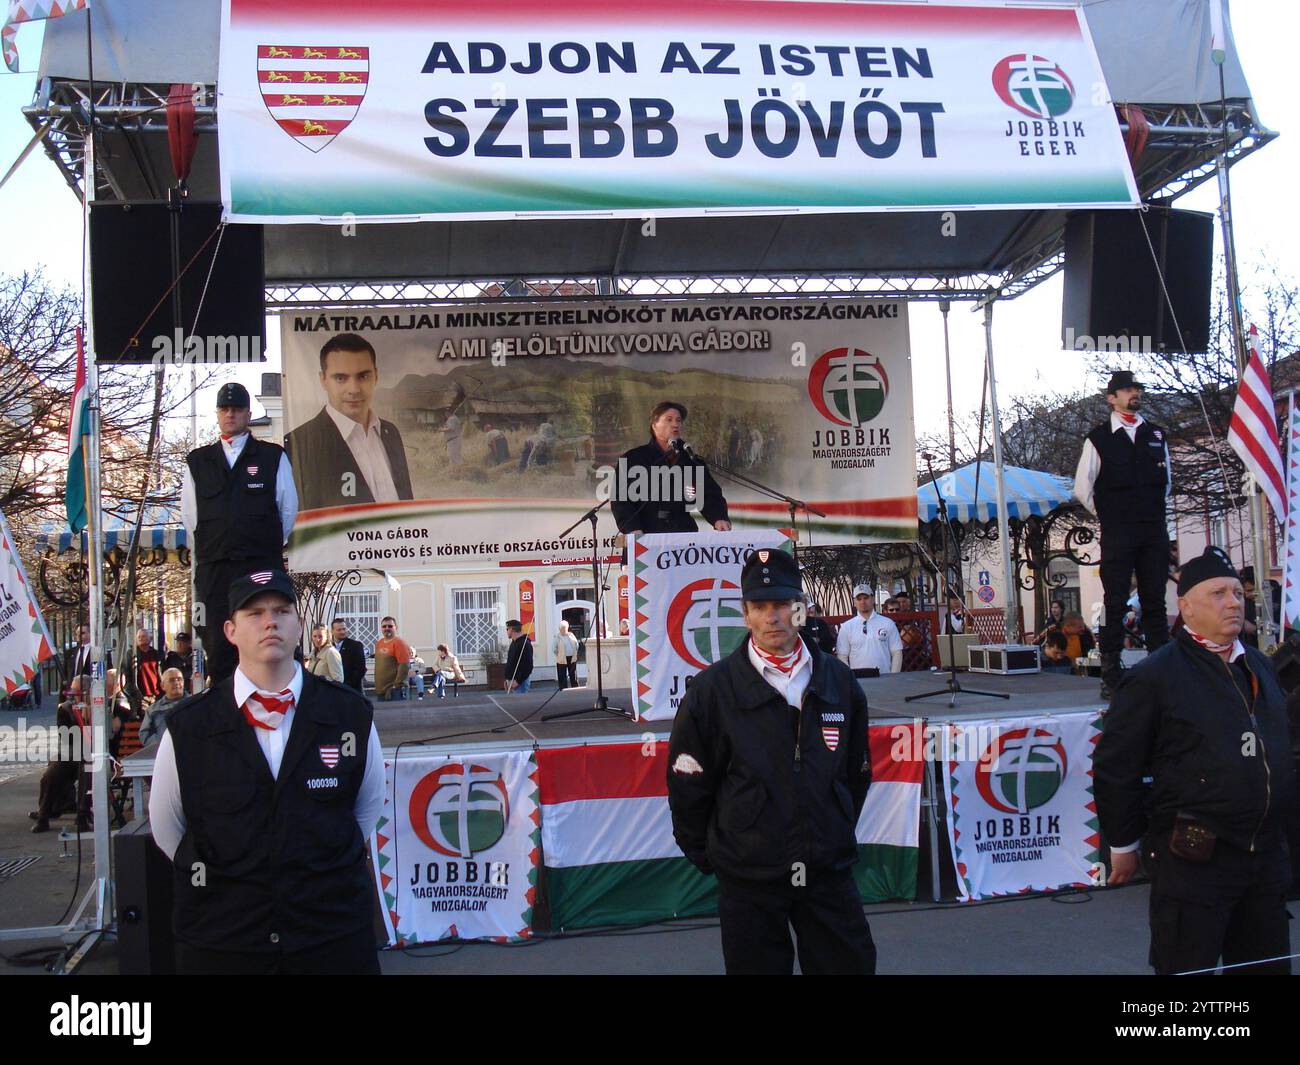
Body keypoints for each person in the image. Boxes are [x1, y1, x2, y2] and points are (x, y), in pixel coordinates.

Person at [148, 569, 384, 975]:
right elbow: (168, 828)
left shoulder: (349, 715)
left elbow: (365, 811)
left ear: (299, 626)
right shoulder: (190, 726)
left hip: (330, 939)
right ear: (230, 630)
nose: (269, 621)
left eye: (281, 610)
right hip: (224, 943)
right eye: (254, 613)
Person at [667, 546, 876, 975]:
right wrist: (720, 856)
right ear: (745, 614)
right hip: (749, 879)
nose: (772, 617)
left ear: (800, 609)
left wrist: (831, 826)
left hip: (826, 871)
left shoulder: (837, 680)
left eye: (782, 604)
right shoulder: (711, 691)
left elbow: (856, 771)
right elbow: (689, 786)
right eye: (760, 606)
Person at [1095, 546, 1297, 975]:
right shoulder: (1155, 676)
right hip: (1193, 860)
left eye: (1236, 593)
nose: (1233, 602)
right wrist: (1123, 844)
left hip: (1263, 859)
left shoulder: (1260, 665)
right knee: (1189, 969)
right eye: (1218, 594)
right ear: (1185, 607)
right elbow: (1117, 766)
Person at [182, 381, 298, 686]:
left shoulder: (272, 457)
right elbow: (190, 520)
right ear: (218, 414)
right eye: (225, 409)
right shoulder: (198, 462)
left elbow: (287, 511)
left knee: (266, 641)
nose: (230, 414)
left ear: (248, 413)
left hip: (260, 565)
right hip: (215, 570)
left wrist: (260, 543)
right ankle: (226, 721)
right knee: (220, 649)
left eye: (236, 409)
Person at [1074, 370, 1172, 696]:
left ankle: (1162, 670)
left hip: (1153, 529)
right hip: (1119, 531)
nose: (1134, 394)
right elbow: (1083, 488)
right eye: (1127, 389)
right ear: (1111, 398)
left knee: (1154, 601)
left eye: (1136, 389)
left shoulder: (1156, 434)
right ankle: (1110, 673)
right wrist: (1110, 515)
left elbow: (1167, 483)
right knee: (1114, 602)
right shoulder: (1099, 438)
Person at [284, 333, 413, 510]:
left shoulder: (390, 432)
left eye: (363, 376)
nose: (353, 389)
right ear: (323, 380)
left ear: (376, 376)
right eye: (340, 378)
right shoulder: (299, 443)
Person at [610, 401, 732, 535]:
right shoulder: (633, 458)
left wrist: (719, 518)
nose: (675, 424)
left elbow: (709, 494)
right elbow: (620, 499)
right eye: (669, 420)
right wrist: (632, 528)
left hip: (683, 535)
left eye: (678, 420)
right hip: (645, 535)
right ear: (654, 424)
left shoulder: (691, 460)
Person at [30, 676, 90, 833]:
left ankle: (82, 815)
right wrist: (80, 720)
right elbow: (67, 737)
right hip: (70, 752)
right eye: (72, 692)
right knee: (52, 774)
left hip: (91, 754)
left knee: (87, 770)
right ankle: (43, 816)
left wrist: (88, 717)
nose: (73, 696)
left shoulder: (97, 708)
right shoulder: (65, 709)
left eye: (77, 692)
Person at [835, 586, 903, 677]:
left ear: (873, 599)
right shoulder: (846, 627)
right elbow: (842, 656)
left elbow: (897, 652)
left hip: (885, 680)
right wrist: (850, 678)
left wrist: (893, 677)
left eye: (866, 598)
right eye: (859, 599)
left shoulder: (888, 623)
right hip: (858, 682)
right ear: (854, 602)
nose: (863, 602)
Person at [121, 627, 163, 716]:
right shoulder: (131, 654)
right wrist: (134, 694)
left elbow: (161, 673)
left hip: (156, 696)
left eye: (143, 636)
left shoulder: (155, 654)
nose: (140, 638)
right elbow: (126, 675)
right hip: (140, 697)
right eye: (138, 637)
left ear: (149, 639)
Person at [139, 668, 187, 745]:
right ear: (162, 686)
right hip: (162, 751)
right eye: (172, 680)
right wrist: (162, 744)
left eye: (179, 679)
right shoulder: (153, 709)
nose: (176, 683)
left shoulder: (194, 703)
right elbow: (144, 734)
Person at [373, 616, 412, 701]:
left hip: (395, 692)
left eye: (390, 626)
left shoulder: (399, 643)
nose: (387, 628)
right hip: (381, 691)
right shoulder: (379, 643)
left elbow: (404, 666)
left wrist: (396, 686)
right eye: (384, 626)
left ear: (396, 627)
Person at [331, 618, 367, 694]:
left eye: (344, 629)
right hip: (332, 689)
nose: (342, 632)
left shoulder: (356, 646)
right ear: (332, 631)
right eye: (339, 630)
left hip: (351, 690)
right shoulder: (328, 647)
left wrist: (347, 685)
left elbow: (361, 669)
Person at [504, 620, 533, 693]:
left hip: (520, 683)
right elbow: (510, 663)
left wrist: (517, 681)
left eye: (507, 629)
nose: (507, 631)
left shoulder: (525, 644)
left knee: (520, 703)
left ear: (512, 629)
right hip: (511, 681)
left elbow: (528, 667)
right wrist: (507, 679)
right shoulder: (514, 643)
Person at [63, 623, 93, 691]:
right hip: (72, 692)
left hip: (89, 692)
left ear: (90, 633)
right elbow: (65, 676)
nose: (79, 635)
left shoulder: (97, 652)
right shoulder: (70, 653)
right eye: (77, 633)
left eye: (82, 633)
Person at [552, 621, 579, 689]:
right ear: (560, 629)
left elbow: (576, 645)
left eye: (565, 628)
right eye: (562, 629)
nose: (564, 630)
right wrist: (559, 654)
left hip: (571, 657)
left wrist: (574, 652)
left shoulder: (571, 635)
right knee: (562, 674)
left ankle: (575, 687)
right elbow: (554, 648)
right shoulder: (557, 637)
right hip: (562, 658)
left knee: (573, 674)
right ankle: (563, 688)